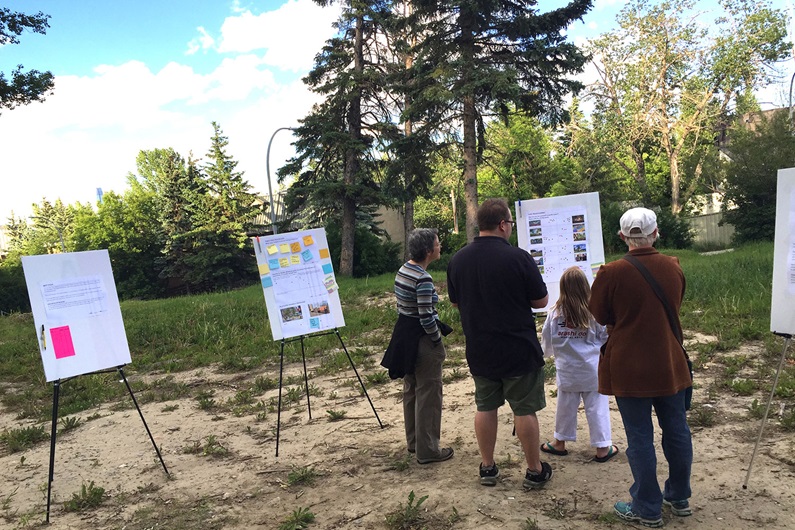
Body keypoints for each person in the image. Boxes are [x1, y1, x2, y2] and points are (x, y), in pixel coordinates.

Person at [589, 207, 692, 528]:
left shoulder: (611, 273)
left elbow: (600, 315)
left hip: (628, 367)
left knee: (639, 438)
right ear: (657, 232)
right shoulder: (672, 267)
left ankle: (646, 507)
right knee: (676, 430)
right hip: (669, 363)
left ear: (622, 237)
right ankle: (678, 496)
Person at [446, 198, 552, 489]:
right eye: (510, 224)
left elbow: (456, 302)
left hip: (480, 347)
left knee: (485, 406)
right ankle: (534, 469)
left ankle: (488, 466)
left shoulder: (457, 259)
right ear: (503, 224)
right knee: (524, 409)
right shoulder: (519, 257)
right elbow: (541, 301)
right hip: (518, 347)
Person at [381, 228, 454, 464]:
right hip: (422, 338)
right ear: (428, 250)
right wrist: (436, 338)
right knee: (430, 393)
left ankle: (414, 442)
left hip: (404, 335)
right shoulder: (423, 278)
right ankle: (429, 450)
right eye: (437, 242)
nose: (440, 245)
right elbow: (425, 316)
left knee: (411, 388)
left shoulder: (404, 269)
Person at [540, 266, 618, 462]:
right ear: (586, 287)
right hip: (592, 370)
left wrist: (548, 353)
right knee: (597, 407)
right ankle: (602, 447)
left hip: (567, 370)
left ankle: (560, 443)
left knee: (565, 406)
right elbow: (604, 337)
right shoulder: (595, 314)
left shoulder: (554, 314)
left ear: (562, 288)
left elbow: (547, 341)